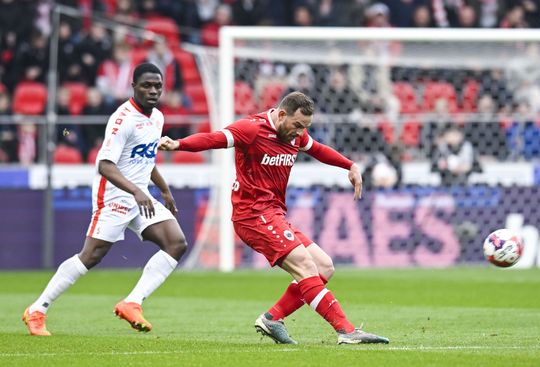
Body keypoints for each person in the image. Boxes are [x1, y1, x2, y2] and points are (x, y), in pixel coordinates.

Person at [158, 91, 389, 345]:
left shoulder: (296, 135)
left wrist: (350, 165)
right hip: (252, 214)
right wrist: (179, 144)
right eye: (297, 125)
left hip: (274, 213)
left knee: (324, 266)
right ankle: (346, 330)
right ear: (281, 114)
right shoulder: (251, 129)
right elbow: (214, 138)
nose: (300, 133)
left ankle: (272, 318)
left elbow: (319, 150)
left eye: (305, 128)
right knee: (304, 265)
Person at [22, 63, 188, 336]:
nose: (153, 90)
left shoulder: (157, 117)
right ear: (133, 87)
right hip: (114, 195)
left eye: (157, 86)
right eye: (147, 85)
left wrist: (164, 189)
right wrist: (135, 191)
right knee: (91, 256)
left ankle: (132, 303)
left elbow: (146, 157)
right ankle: (37, 309)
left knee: (176, 243)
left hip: (140, 196)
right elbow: (105, 165)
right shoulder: (122, 119)